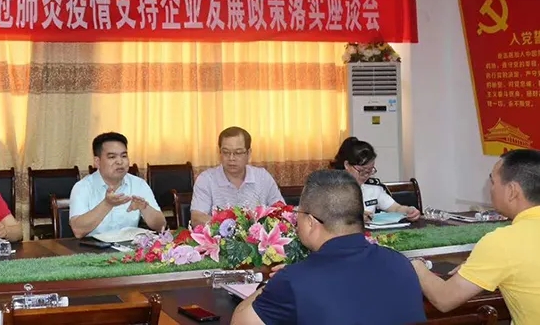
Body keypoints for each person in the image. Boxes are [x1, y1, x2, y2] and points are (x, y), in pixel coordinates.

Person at [231, 170, 426, 325]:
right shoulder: (401, 264)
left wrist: (270, 284)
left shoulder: (293, 281)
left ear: (310, 222)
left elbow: (240, 321)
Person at [411, 149, 540, 324]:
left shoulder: (503, 242)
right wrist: (480, 268)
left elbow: (444, 299)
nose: (490, 189)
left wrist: (417, 266)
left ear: (512, 191)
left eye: (493, 182)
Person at [69, 132, 166, 238]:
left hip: (129, 246)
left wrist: (145, 208)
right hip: (92, 246)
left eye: (124, 156)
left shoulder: (139, 184)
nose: (120, 162)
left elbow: (161, 226)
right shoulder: (82, 187)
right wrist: (107, 204)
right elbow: (78, 231)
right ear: (97, 162)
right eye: (112, 157)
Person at [190, 127, 283, 227]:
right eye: (226, 152)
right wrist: (230, 229)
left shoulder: (263, 177)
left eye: (238, 152)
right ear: (219, 153)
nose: (231, 158)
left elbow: (281, 211)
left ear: (249, 153)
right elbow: (197, 218)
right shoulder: (206, 179)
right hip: (219, 237)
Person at [330, 136, 420, 221]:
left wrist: (409, 211)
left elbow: (395, 208)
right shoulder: (328, 190)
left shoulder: (372, 189)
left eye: (369, 171)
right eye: (362, 171)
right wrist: (354, 218)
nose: (366, 175)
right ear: (347, 165)